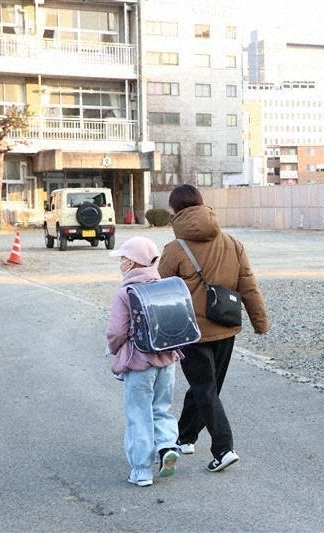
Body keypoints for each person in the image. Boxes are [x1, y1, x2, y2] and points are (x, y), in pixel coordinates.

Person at [158, 184, 269, 473]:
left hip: (191, 332)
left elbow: (162, 294)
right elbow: (248, 284)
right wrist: (260, 321)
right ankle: (185, 437)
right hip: (227, 326)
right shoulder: (232, 242)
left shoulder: (174, 249)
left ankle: (224, 448)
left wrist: (158, 334)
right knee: (207, 388)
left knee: (205, 388)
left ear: (175, 211)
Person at [106, 236, 182, 487]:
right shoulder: (166, 287)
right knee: (161, 409)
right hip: (168, 359)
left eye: (123, 259)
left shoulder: (126, 293)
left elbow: (116, 332)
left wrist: (114, 349)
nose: (121, 263)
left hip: (139, 363)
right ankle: (167, 447)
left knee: (138, 414)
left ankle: (141, 471)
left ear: (131, 262)